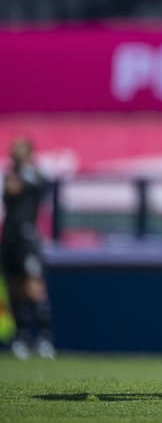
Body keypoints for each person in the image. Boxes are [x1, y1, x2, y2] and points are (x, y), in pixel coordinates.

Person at [2, 137, 54, 361]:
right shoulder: (10, 175)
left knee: (34, 287)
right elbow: (9, 190)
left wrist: (22, 175)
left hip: (27, 239)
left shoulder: (34, 176)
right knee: (15, 289)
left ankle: (44, 338)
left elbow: (32, 187)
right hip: (9, 239)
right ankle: (21, 336)